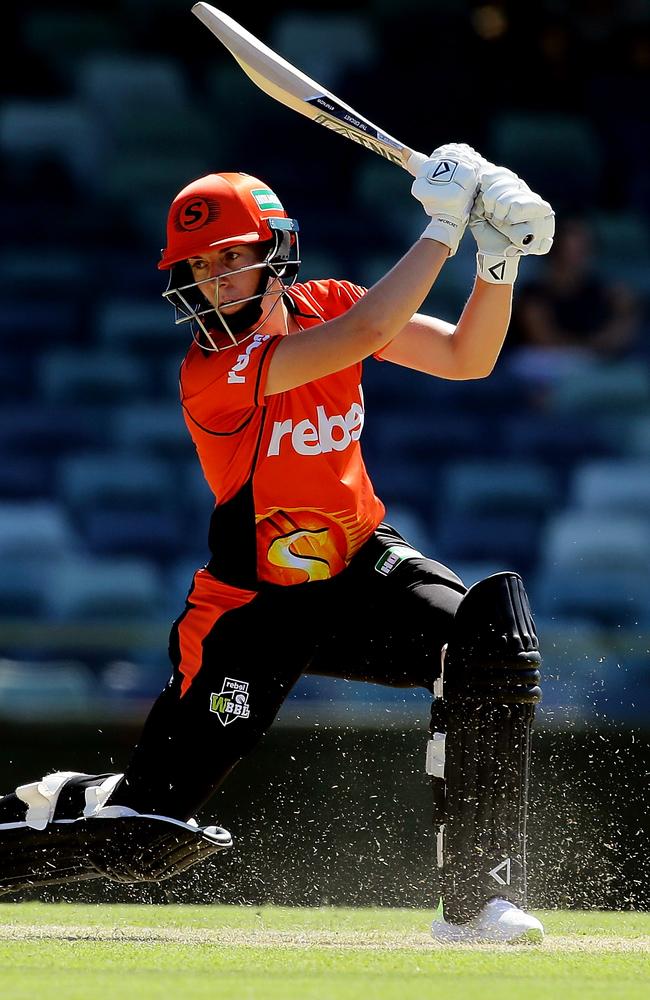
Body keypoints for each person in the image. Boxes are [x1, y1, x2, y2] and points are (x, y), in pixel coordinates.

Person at [0, 143, 554, 943]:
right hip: (253, 608)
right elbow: (372, 330)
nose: (216, 280)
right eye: (200, 267)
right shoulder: (211, 372)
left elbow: (469, 358)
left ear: (274, 255)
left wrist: (496, 261)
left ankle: (476, 903)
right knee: (144, 832)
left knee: (489, 642)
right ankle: (52, 807)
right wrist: (443, 224)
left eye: (232, 259)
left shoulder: (329, 301)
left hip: (360, 567)